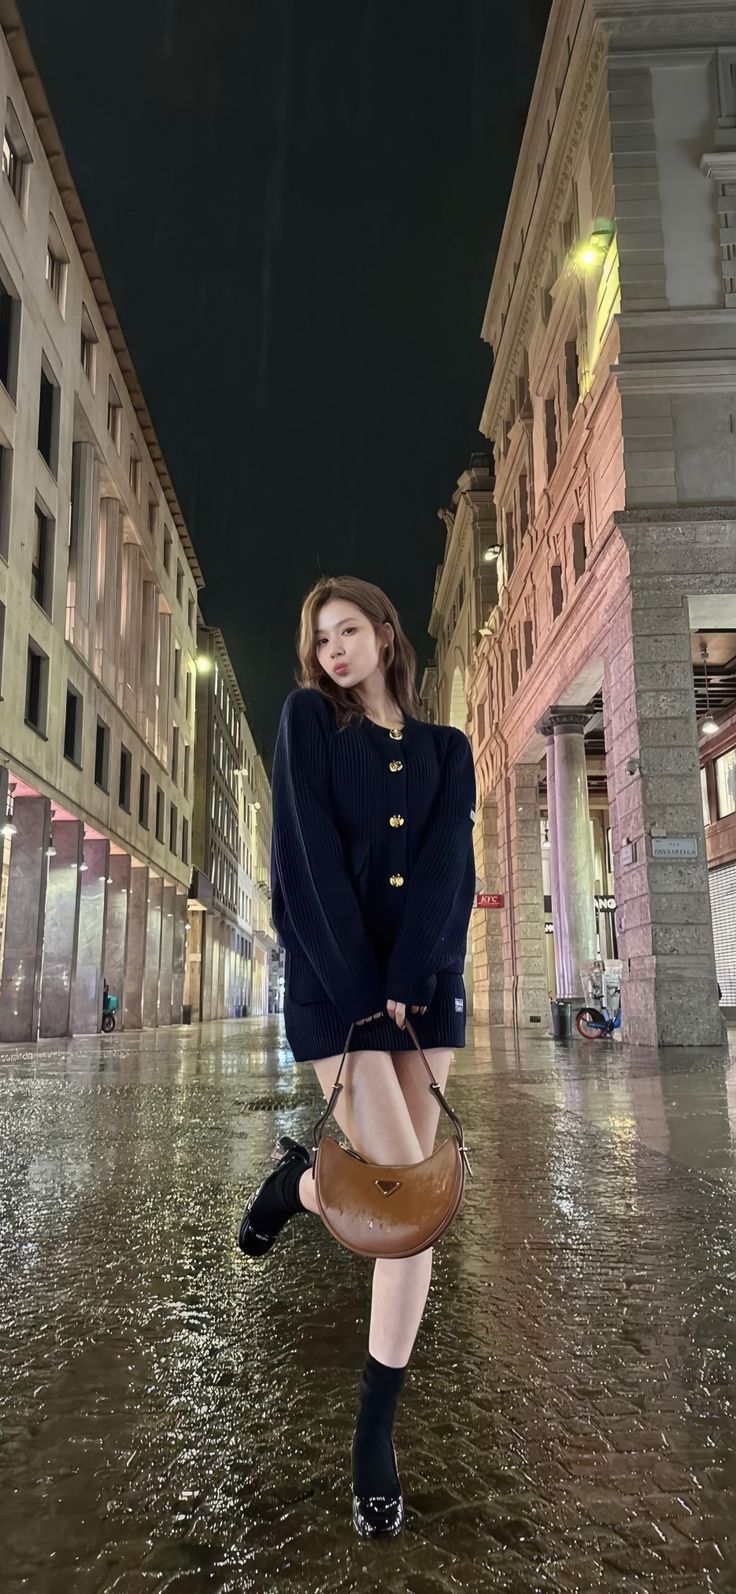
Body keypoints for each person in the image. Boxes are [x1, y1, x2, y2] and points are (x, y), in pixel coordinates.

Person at [238, 575, 476, 1539]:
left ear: (385, 634)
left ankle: (299, 1188)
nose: (333, 650)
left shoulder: (446, 748)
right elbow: (303, 858)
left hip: (425, 994)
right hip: (340, 992)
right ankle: (373, 1440)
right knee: (409, 1200)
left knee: (406, 1203)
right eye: (319, 638)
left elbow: (449, 870)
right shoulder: (306, 723)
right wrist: (354, 983)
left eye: (349, 630)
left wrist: (414, 976)